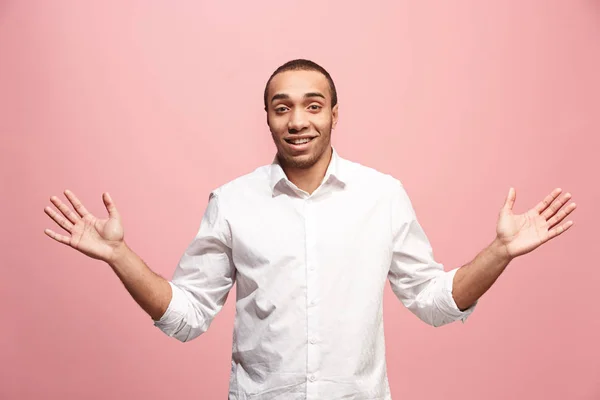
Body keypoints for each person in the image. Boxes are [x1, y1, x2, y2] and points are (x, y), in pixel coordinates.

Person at [43, 59, 577, 399]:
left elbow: (433, 301)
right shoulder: (232, 202)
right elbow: (186, 317)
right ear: (269, 118)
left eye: (312, 106)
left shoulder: (382, 195)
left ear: (334, 115)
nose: (298, 120)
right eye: (283, 108)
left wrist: (502, 251)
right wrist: (119, 256)